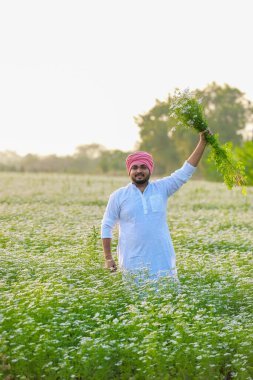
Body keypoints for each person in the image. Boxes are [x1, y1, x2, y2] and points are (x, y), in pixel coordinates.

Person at [101, 131, 209, 280]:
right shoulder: (118, 196)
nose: (139, 171)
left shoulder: (162, 188)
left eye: (143, 167)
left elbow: (185, 172)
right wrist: (108, 258)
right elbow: (106, 225)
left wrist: (202, 142)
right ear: (129, 171)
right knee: (135, 300)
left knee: (167, 298)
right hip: (131, 261)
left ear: (150, 169)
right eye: (135, 167)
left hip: (162, 260)